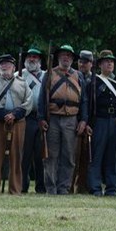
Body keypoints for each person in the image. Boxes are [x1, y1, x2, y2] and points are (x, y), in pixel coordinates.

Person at [39, 45, 88, 195]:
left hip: (71, 119)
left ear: (73, 59)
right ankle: (51, 188)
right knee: (51, 155)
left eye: (69, 55)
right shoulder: (49, 74)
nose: (66, 58)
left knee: (69, 155)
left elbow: (84, 100)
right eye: (63, 55)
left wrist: (83, 120)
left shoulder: (79, 76)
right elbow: (42, 98)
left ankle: (64, 188)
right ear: (58, 58)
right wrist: (41, 118)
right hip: (53, 118)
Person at [0, 54, 31, 194]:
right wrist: (4, 114)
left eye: (8, 64)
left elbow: (28, 102)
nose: (5, 67)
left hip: (18, 123)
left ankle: (15, 189)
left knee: (16, 156)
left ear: (13, 67)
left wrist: (15, 115)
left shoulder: (22, 83)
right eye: (2, 64)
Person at [87, 50, 116, 196]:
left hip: (115, 122)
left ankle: (111, 188)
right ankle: (95, 187)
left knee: (112, 156)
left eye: (111, 61)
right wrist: (88, 123)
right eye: (106, 61)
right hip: (100, 121)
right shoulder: (93, 82)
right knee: (97, 156)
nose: (109, 63)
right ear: (100, 65)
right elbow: (88, 105)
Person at [19, 47, 46, 194]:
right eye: (29, 57)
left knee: (41, 156)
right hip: (26, 118)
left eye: (35, 57)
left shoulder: (47, 76)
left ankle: (41, 187)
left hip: (42, 118)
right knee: (25, 155)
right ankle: (22, 185)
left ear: (40, 61)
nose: (32, 59)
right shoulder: (19, 75)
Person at [72, 50, 95, 194]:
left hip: (91, 124)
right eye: (80, 62)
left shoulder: (95, 80)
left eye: (85, 62)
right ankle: (69, 186)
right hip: (74, 120)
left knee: (87, 159)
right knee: (73, 156)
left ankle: (83, 187)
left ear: (91, 64)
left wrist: (88, 123)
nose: (82, 64)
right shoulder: (73, 77)